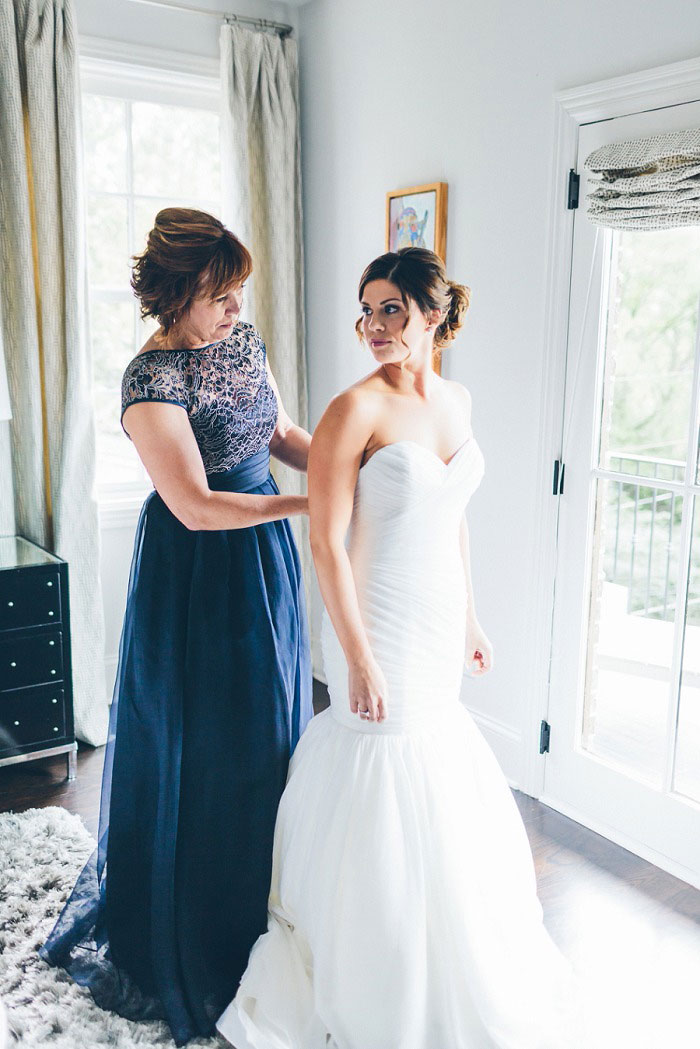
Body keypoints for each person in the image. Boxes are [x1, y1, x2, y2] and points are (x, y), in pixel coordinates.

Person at [217, 247, 583, 1049]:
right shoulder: (356, 409)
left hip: (433, 614)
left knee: (437, 760)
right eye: (367, 310)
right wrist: (356, 656)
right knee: (381, 760)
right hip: (373, 616)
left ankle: (449, 946)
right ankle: (373, 961)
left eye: (391, 308)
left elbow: (451, 516)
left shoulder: (457, 399)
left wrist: (472, 619)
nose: (374, 325)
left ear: (433, 312)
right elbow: (326, 544)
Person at [40, 208, 313, 1046]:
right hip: (198, 573)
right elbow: (193, 505)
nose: (236, 308)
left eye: (239, 294)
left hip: (265, 553)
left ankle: (268, 905)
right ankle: (200, 927)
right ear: (178, 292)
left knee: (271, 731)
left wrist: (346, 462)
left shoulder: (242, 339)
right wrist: (315, 502)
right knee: (207, 743)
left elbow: (274, 432)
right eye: (221, 295)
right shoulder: (149, 379)